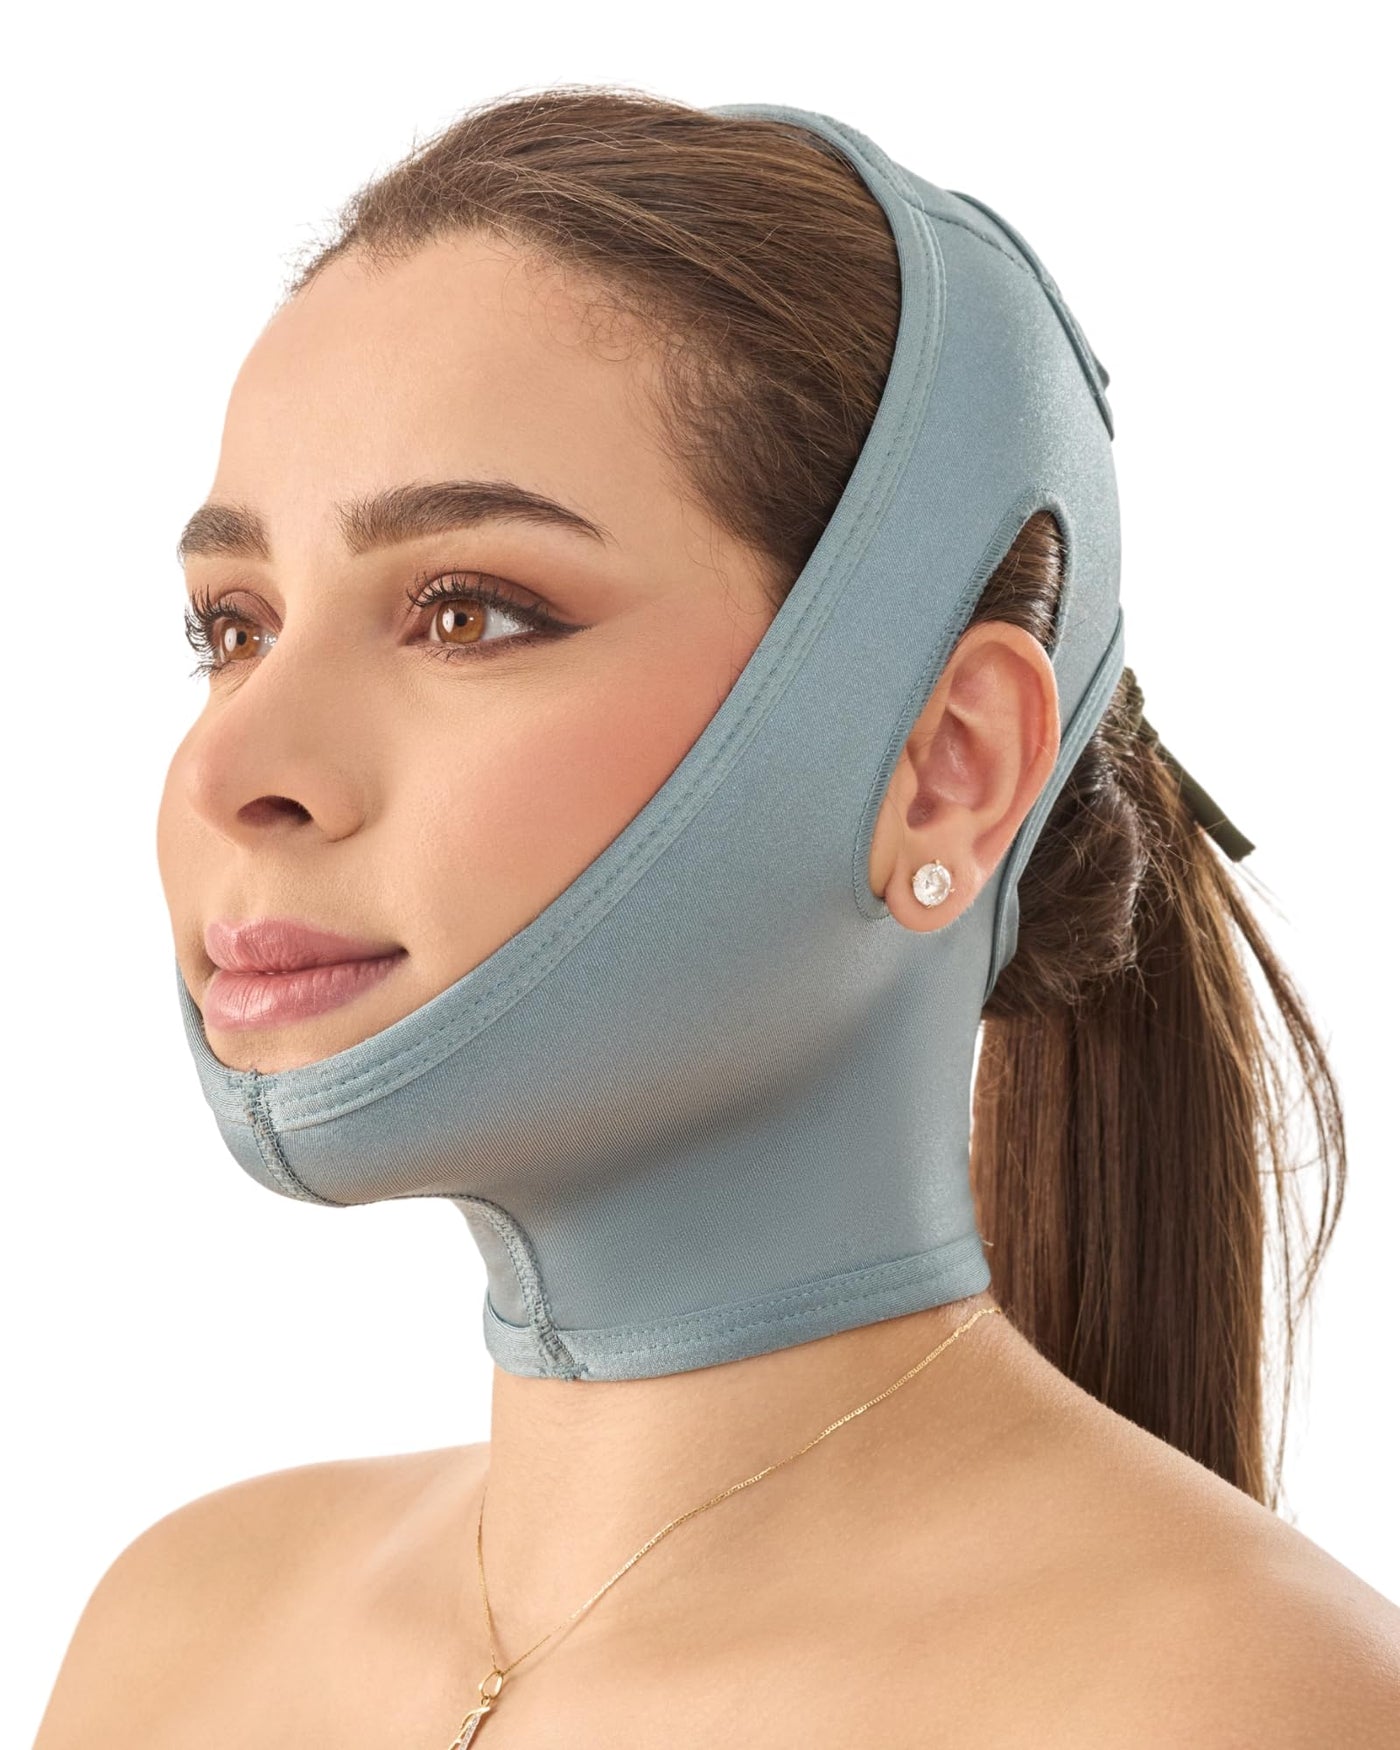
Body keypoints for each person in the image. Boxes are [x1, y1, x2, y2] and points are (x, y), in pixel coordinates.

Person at [34, 84, 1400, 1746]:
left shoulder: (1235, 1704)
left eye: (469, 612)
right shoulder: (175, 1633)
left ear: (947, 767)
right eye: (233, 627)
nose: (230, 769)